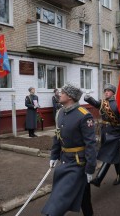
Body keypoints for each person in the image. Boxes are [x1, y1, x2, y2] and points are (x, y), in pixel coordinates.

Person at [41, 83, 97, 216]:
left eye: (63, 92)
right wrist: (54, 156)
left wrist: (90, 168)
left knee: (58, 201)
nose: (60, 94)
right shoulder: (60, 112)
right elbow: (57, 135)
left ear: (70, 97)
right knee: (84, 196)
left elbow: (90, 144)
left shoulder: (84, 115)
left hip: (78, 164)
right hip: (65, 161)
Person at [84, 83, 120, 187]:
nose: (106, 92)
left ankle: (99, 179)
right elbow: (95, 103)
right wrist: (87, 97)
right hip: (105, 133)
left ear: (113, 93)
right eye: (105, 91)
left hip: (115, 134)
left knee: (108, 156)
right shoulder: (103, 103)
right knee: (113, 156)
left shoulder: (118, 104)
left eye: (108, 91)